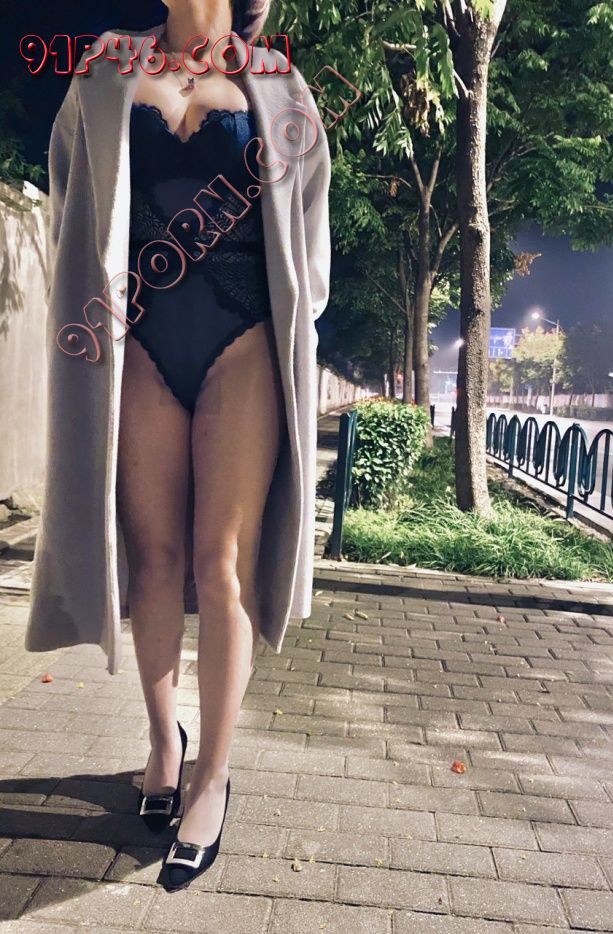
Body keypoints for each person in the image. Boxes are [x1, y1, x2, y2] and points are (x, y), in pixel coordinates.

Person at [25, 0, 331, 891]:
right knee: (153, 557)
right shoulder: (104, 68)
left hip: (244, 337)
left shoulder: (278, 81)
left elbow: (310, 227)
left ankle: (212, 778)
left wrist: (296, 325)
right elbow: (70, 200)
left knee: (221, 562)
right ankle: (165, 744)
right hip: (140, 338)